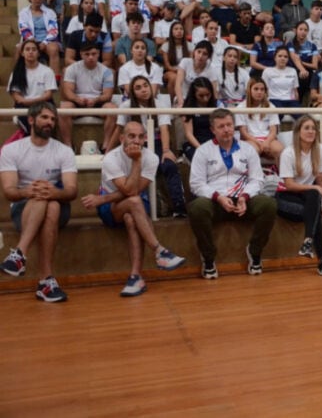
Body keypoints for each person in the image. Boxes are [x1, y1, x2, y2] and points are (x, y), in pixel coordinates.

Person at [80, 121, 186, 297]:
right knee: (135, 202)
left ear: (145, 138)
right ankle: (159, 251)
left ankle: (136, 277)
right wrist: (136, 162)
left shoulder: (151, 158)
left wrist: (102, 198)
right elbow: (129, 191)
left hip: (120, 200)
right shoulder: (111, 159)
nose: (136, 140)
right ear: (122, 138)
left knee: (132, 215)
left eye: (140, 136)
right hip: (110, 208)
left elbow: (134, 190)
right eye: (131, 136)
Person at [0, 102, 77, 303]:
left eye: (52, 119)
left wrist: (53, 192)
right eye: (44, 118)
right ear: (32, 120)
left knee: (50, 202)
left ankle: (19, 255)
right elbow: (9, 191)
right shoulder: (11, 150)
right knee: (45, 202)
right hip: (22, 209)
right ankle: (46, 282)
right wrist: (28, 191)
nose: (49, 122)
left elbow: (71, 190)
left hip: (60, 207)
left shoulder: (64, 151)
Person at [188, 108, 278, 279]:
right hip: (216, 201)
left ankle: (255, 252)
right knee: (197, 208)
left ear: (234, 127)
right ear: (213, 130)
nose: (226, 129)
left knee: (268, 204)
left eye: (229, 125)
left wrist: (245, 197)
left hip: (242, 201)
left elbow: (258, 180)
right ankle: (208, 257)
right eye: (221, 126)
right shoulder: (203, 151)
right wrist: (218, 197)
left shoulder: (247, 149)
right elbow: (196, 183)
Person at [113, 76, 187, 218]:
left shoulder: (160, 105)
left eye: (145, 85)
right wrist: (110, 150)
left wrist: (166, 150)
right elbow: (119, 129)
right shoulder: (126, 106)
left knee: (169, 165)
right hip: (134, 144)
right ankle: (143, 209)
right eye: (138, 87)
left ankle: (179, 208)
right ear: (133, 92)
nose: (143, 90)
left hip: (158, 144)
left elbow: (164, 128)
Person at [277, 115, 322, 275]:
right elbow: (288, 184)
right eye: (306, 128)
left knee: (314, 199)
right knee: (314, 208)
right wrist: (317, 190)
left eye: (313, 128)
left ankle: (308, 243)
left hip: (307, 196)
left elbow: (321, 179)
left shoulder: (320, 150)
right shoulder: (288, 153)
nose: (311, 131)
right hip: (286, 196)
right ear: (298, 132)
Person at [59, 42, 117, 152]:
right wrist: (77, 99)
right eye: (87, 54)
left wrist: (96, 100)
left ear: (98, 54)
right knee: (64, 108)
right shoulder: (72, 68)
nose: (91, 57)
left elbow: (107, 94)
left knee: (113, 109)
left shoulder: (107, 72)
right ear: (81, 54)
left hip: (98, 102)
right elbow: (68, 91)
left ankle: (106, 145)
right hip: (77, 101)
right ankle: (68, 146)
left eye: (93, 54)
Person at [7, 40, 57, 136]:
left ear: (38, 53)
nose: (30, 52)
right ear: (22, 53)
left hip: (44, 104)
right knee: (30, 126)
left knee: (45, 122)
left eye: (34, 50)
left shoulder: (47, 71)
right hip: (23, 105)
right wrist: (25, 102)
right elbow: (15, 94)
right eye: (27, 49)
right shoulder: (16, 72)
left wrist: (33, 102)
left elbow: (48, 94)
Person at [236, 78, 283, 161]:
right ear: (249, 90)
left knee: (279, 150)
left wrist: (266, 142)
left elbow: (273, 130)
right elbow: (243, 133)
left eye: (262, 89)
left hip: (268, 139)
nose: (259, 92)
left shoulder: (271, 106)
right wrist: (258, 143)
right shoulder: (241, 107)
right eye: (256, 89)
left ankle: (281, 173)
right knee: (252, 151)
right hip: (250, 140)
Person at [17, 0, 61, 75]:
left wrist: (44, 43)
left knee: (53, 49)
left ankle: (55, 81)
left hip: (48, 41)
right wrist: (32, 41)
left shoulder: (50, 12)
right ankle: (17, 78)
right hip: (30, 40)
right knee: (18, 48)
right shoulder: (23, 12)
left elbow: (53, 30)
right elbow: (23, 29)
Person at [180, 77, 219, 161]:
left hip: (214, 142)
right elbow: (189, 134)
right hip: (195, 143)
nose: (205, 98)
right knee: (201, 160)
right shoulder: (188, 107)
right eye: (201, 96)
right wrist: (201, 149)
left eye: (208, 95)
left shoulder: (217, 105)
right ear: (194, 94)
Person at [175, 40, 220, 107]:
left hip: (202, 101)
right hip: (184, 97)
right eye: (199, 52)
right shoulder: (185, 62)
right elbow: (178, 85)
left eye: (205, 54)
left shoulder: (211, 70)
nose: (200, 56)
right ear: (194, 52)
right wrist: (181, 103)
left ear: (209, 57)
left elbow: (214, 91)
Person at [262, 45, 300, 119]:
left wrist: (296, 103)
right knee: (278, 115)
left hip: (290, 101)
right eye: (280, 56)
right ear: (275, 57)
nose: (283, 58)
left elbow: (295, 91)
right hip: (274, 99)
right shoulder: (267, 71)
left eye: (285, 57)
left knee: (301, 116)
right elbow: (264, 90)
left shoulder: (293, 71)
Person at [158, 20, 193, 101]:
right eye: (176, 29)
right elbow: (167, 66)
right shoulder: (166, 46)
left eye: (181, 29)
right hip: (170, 71)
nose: (179, 31)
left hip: (185, 71)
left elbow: (190, 63)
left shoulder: (190, 46)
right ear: (171, 32)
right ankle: (173, 101)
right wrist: (178, 70)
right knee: (174, 77)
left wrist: (182, 71)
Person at [288, 21, 320, 103]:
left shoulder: (312, 46)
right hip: (294, 71)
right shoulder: (290, 44)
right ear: (296, 30)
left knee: (311, 76)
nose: (303, 32)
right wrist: (302, 69)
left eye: (305, 30)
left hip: (308, 72)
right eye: (301, 29)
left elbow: (315, 65)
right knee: (301, 76)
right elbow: (294, 58)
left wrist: (302, 63)